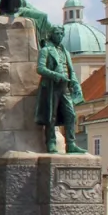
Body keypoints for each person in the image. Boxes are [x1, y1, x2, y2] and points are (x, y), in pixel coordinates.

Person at [36, 24, 88, 155]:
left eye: (60, 34)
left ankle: (71, 144)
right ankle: (51, 142)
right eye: (56, 34)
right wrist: (55, 75)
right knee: (51, 116)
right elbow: (40, 68)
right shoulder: (46, 50)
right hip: (52, 87)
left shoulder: (65, 52)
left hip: (65, 87)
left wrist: (76, 85)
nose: (59, 36)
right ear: (51, 35)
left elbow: (71, 71)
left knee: (71, 114)